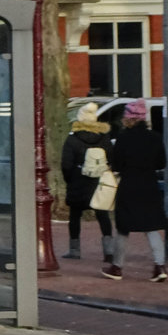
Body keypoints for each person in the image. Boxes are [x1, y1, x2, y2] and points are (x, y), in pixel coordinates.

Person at [103, 98, 168, 282]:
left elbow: (117, 165)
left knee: (123, 227)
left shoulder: (123, 138)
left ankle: (117, 267)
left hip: (129, 186)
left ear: (129, 118)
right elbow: (161, 163)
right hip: (149, 186)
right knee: (151, 227)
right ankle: (160, 266)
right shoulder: (155, 137)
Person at [59, 102, 115, 262]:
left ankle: (74, 249)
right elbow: (111, 159)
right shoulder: (104, 138)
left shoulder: (72, 139)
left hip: (78, 181)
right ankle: (109, 251)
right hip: (99, 182)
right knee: (102, 215)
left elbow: (66, 164)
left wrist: (69, 179)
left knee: (75, 215)